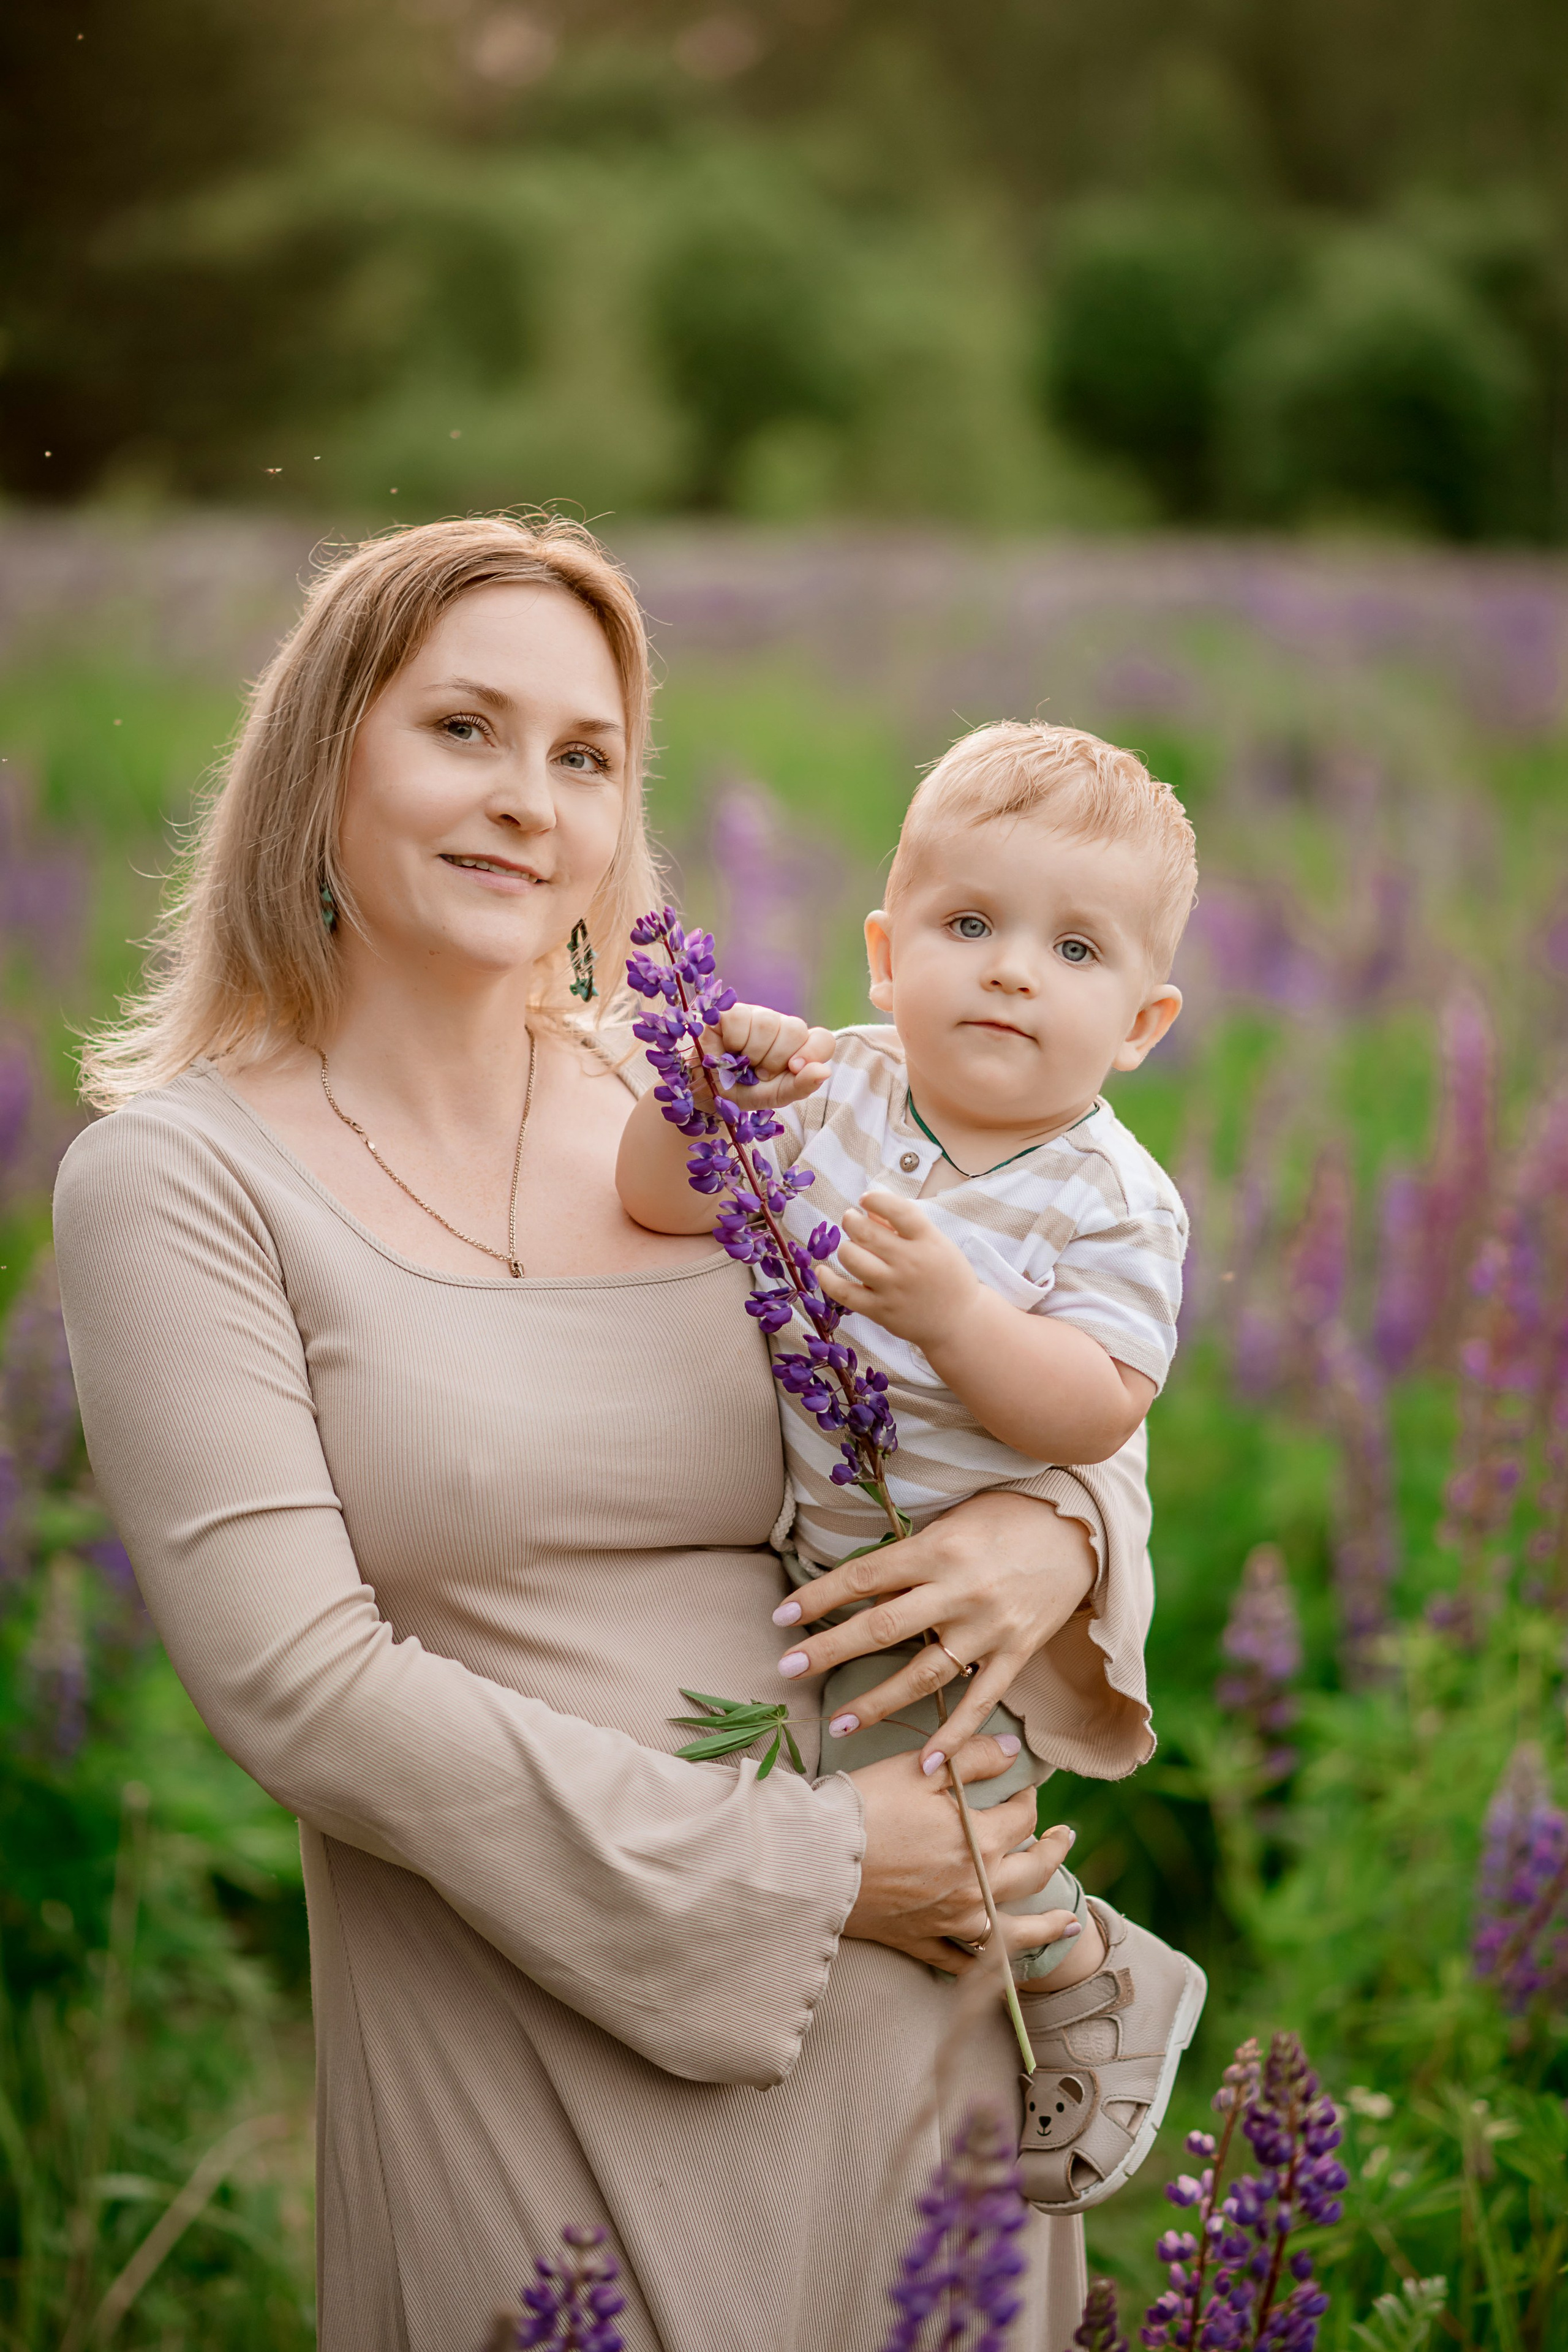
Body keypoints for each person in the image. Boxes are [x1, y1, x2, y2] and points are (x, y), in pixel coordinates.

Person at [54, 516, 1175, 2352]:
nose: (529, 801)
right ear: (322, 753)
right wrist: (816, 1872)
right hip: (530, 2028)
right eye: (465, 732)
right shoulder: (177, 1183)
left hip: (919, 2037)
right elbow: (303, 1688)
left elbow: (1030, 1349)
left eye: (583, 756)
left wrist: (1053, 1531)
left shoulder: (709, 1113)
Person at [617, 722, 1207, 2205]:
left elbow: (1093, 1409)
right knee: (859, 1829)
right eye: (968, 925)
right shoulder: (840, 1089)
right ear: (886, 956)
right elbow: (658, 1202)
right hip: (810, 1542)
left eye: (1074, 951)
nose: (1010, 967)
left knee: (955, 1816)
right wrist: (700, 1100)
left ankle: (1086, 1970)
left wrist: (954, 1313)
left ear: (1140, 1024)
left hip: (948, 1577)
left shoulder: (1111, 1201)